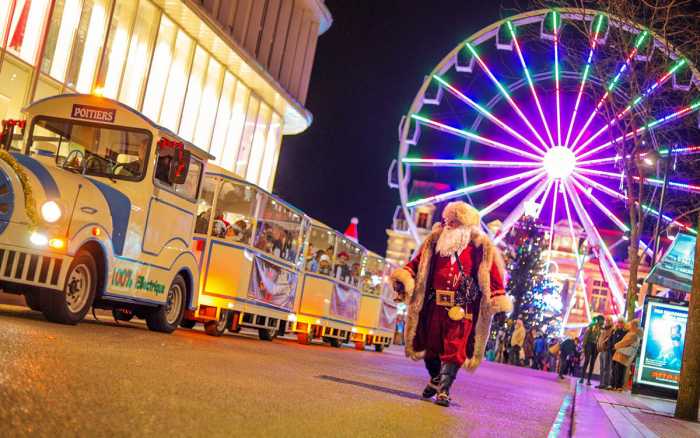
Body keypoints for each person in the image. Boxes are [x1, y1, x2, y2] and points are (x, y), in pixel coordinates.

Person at [391, 201, 512, 407]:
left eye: (454, 222)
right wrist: (403, 278)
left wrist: (498, 300)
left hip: (462, 307)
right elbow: (416, 264)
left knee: (454, 348)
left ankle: (444, 390)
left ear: (466, 225)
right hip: (434, 305)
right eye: (448, 221)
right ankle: (436, 378)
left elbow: (492, 276)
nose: (449, 225)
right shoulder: (434, 242)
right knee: (431, 347)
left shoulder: (480, 247)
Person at [612, 319, 641, 391]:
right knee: (620, 370)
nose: (630, 326)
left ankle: (619, 386)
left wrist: (616, 345)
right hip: (623, 353)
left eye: (631, 325)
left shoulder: (634, 334)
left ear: (634, 326)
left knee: (620, 370)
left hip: (624, 354)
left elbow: (625, 342)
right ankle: (618, 386)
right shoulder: (633, 333)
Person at [580, 316, 604, 385]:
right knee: (587, 360)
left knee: (592, 362)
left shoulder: (602, 329)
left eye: (602, 321)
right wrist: (584, 346)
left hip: (595, 346)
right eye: (601, 320)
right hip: (589, 344)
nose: (602, 322)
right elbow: (586, 336)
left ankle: (588, 380)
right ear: (598, 320)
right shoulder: (592, 326)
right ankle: (582, 378)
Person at [596, 316, 615, 389]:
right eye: (606, 320)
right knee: (602, 368)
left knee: (606, 368)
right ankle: (601, 383)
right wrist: (598, 346)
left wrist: (606, 347)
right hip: (601, 350)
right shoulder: (604, 329)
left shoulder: (612, 330)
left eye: (609, 320)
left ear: (611, 321)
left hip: (607, 351)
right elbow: (600, 338)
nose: (607, 321)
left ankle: (605, 384)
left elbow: (609, 340)